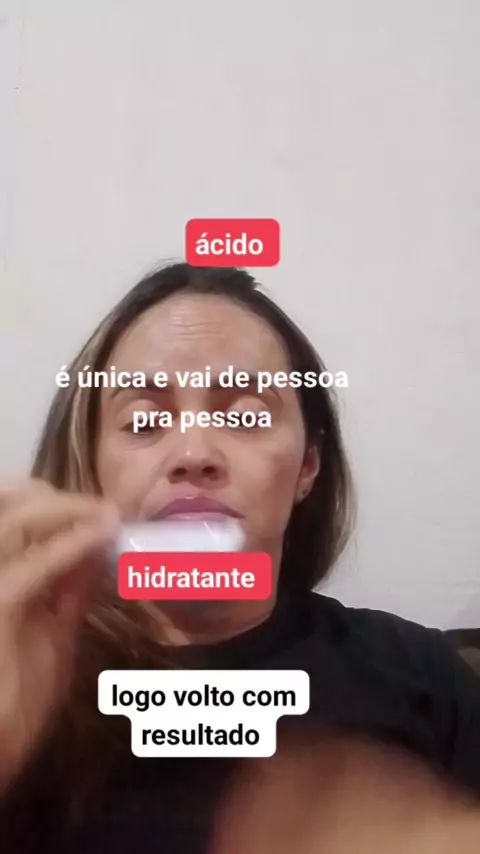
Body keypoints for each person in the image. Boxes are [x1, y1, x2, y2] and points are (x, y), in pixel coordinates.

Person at [0, 262, 479, 853]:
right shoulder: (24, 681)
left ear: (307, 467)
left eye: (245, 415)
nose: (194, 452)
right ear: (94, 468)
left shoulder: (424, 677)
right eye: (144, 420)